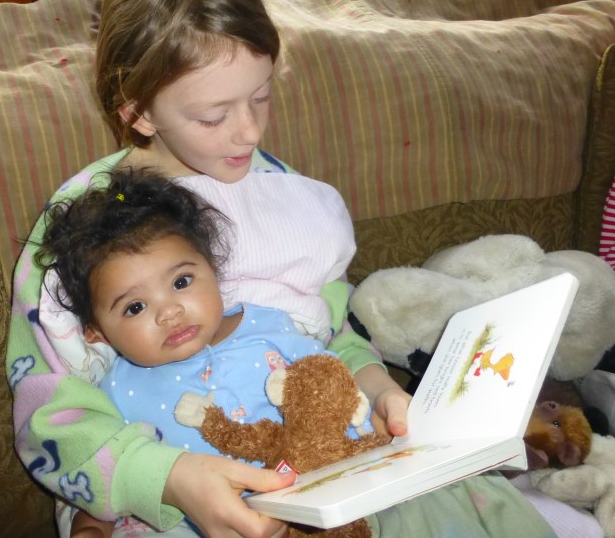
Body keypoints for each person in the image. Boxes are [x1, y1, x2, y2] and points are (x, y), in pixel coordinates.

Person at [6, 0, 559, 538]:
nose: (247, 134)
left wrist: (381, 394)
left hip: (335, 457)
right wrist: (169, 478)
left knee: (472, 510)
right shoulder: (81, 226)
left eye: (261, 98)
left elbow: (332, 333)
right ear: (136, 110)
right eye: (213, 116)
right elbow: (50, 414)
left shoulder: (284, 194)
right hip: (179, 486)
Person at [37, 167, 380, 536]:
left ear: (214, 271)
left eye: (181, 282)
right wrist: (90, 527)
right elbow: (108, 482)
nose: (169, 311)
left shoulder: (270, 325)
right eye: (134, 307)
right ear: (97, 333)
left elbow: (330, 386)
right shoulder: (117, 392)